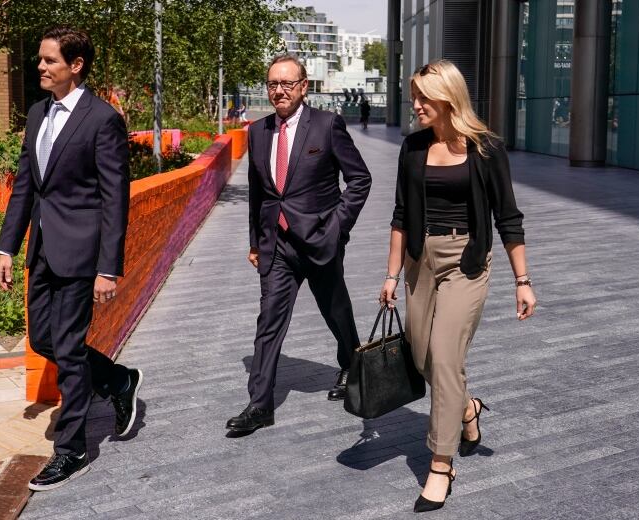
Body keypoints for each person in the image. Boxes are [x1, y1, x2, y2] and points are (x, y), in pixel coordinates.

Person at [379, 60, 536, 513]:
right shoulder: (412, 148)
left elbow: (508, 216)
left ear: (448, 98)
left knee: (446, 357)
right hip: (418, 262)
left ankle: (441, 464)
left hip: (466, 262)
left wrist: (522, 281)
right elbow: (399, 215)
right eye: (414, 96)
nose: (416, 105)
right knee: (422, 354)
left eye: (424, 97)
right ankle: (467, 408)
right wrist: (391, 274)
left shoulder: (486, 149)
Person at [0, 27, 142, 491]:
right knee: (44, 340)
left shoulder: (102, 119)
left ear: (75, 65)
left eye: (49, 60)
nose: (40, 67)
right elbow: (26, 185)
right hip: (41, 249)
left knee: (71, 351)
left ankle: (72, 450)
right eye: (40, 60)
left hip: (81, 254)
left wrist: (107, 267)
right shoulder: (37, 113)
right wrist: (7, 246)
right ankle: (118, 380)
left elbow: (114, 197)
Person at [226, 54, 372, 434]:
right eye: (273, 84)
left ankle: (352, 363)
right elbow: (259, 194)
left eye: (287, 83)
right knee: (269, 322)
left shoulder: (327, 126)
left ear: (304, 86)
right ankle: (260, 405)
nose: (279, 91)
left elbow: (360, 180)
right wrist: (257, 242)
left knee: (336, 311)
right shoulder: (257, 132)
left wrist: (338, 226)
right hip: (277, 247)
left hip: (321, 242)